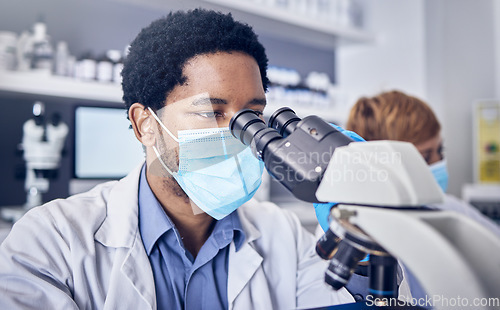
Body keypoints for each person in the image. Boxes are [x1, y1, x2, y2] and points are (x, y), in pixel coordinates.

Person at [0, 9, 354, 309]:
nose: (240, 135)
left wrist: (368, 242)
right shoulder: (51, 242)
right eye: (212, 112)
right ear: (145, 125)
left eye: (252, 116)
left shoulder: (286, 235)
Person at [344, 90, 500, 301]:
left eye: (440, 151)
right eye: (425, 157)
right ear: (383, 165)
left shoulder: (451, 209)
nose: (439, 164)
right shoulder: (345, 227)